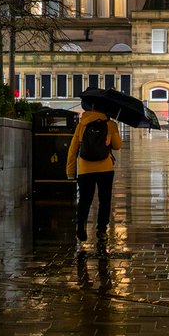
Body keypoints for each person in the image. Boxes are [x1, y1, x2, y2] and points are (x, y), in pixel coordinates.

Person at [66, 98, 122, 244]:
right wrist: (111, 134)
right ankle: (101, 229)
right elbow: (117, 146)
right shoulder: (110, 125)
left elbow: (73, 149)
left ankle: (81, 225)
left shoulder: (82, 125)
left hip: (85, 169)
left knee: (85, 199)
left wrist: (70, 172)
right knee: (104, 200)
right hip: (105, 169)